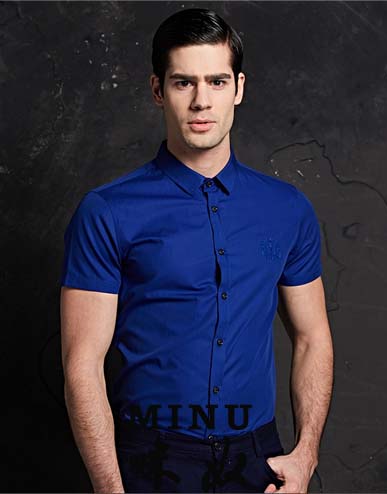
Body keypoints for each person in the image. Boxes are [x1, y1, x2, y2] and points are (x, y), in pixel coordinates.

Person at [60, 7, 334, 494]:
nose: (201, 101)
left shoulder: (288, 209)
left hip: (258, 462)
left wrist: (306, 454)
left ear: (239, 88)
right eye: (184, 82)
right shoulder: (107, 211)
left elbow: (312, 337)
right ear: (157, 90)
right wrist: (110, 489)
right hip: (150, 460)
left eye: (217, 82)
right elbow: (82, 364)